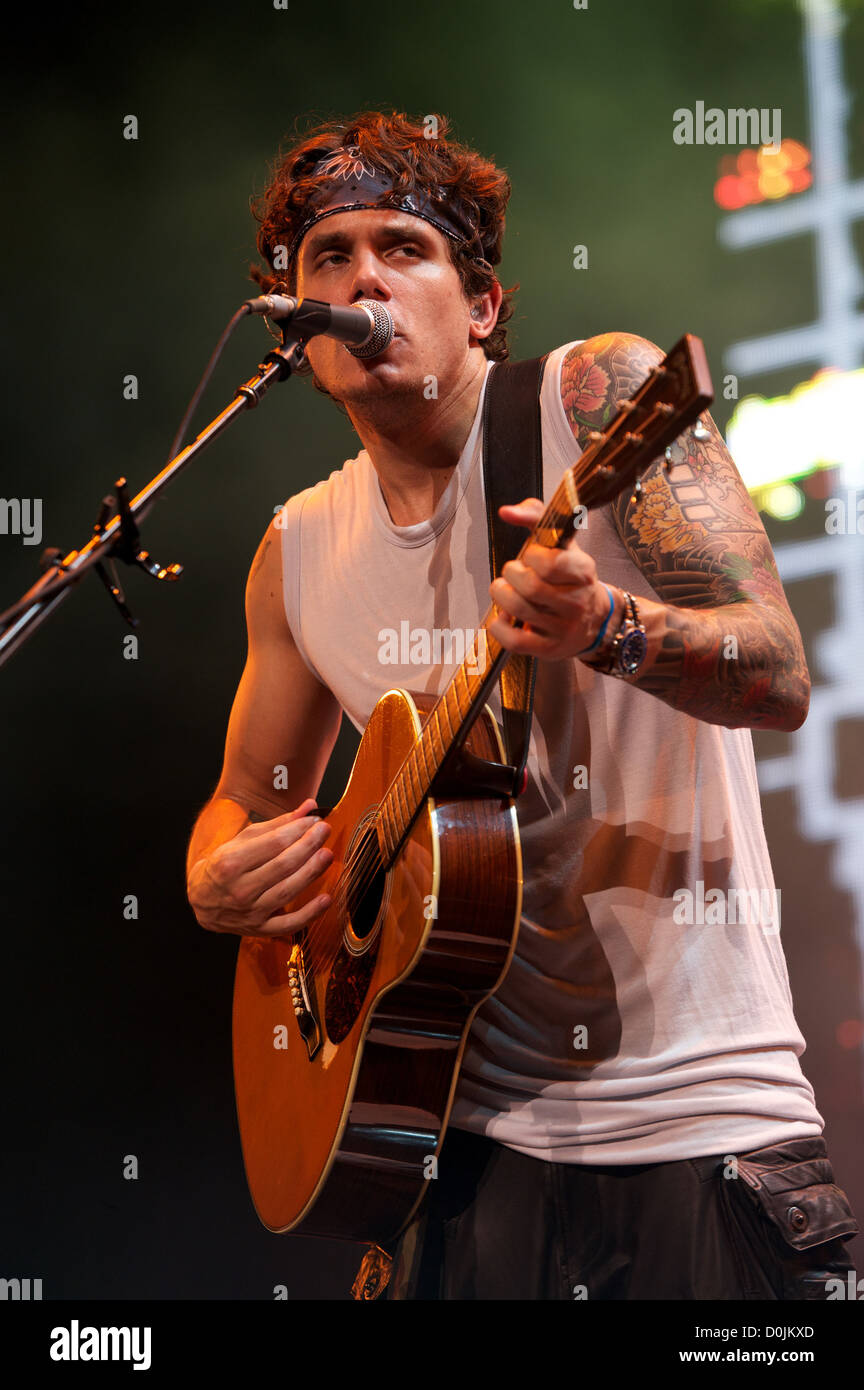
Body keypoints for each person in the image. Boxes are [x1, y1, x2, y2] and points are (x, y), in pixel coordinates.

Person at [185, 109, 858, 1300]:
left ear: (481, 304)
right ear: (295, 328)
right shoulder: (295, 552)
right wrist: (215, 874)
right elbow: (244, 799)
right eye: (328, 258)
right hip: (456, 1148)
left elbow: (780, 671)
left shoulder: (597, 397)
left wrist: (608, 626)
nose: (363, 277)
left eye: (404, 246)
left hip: (697, 1119)